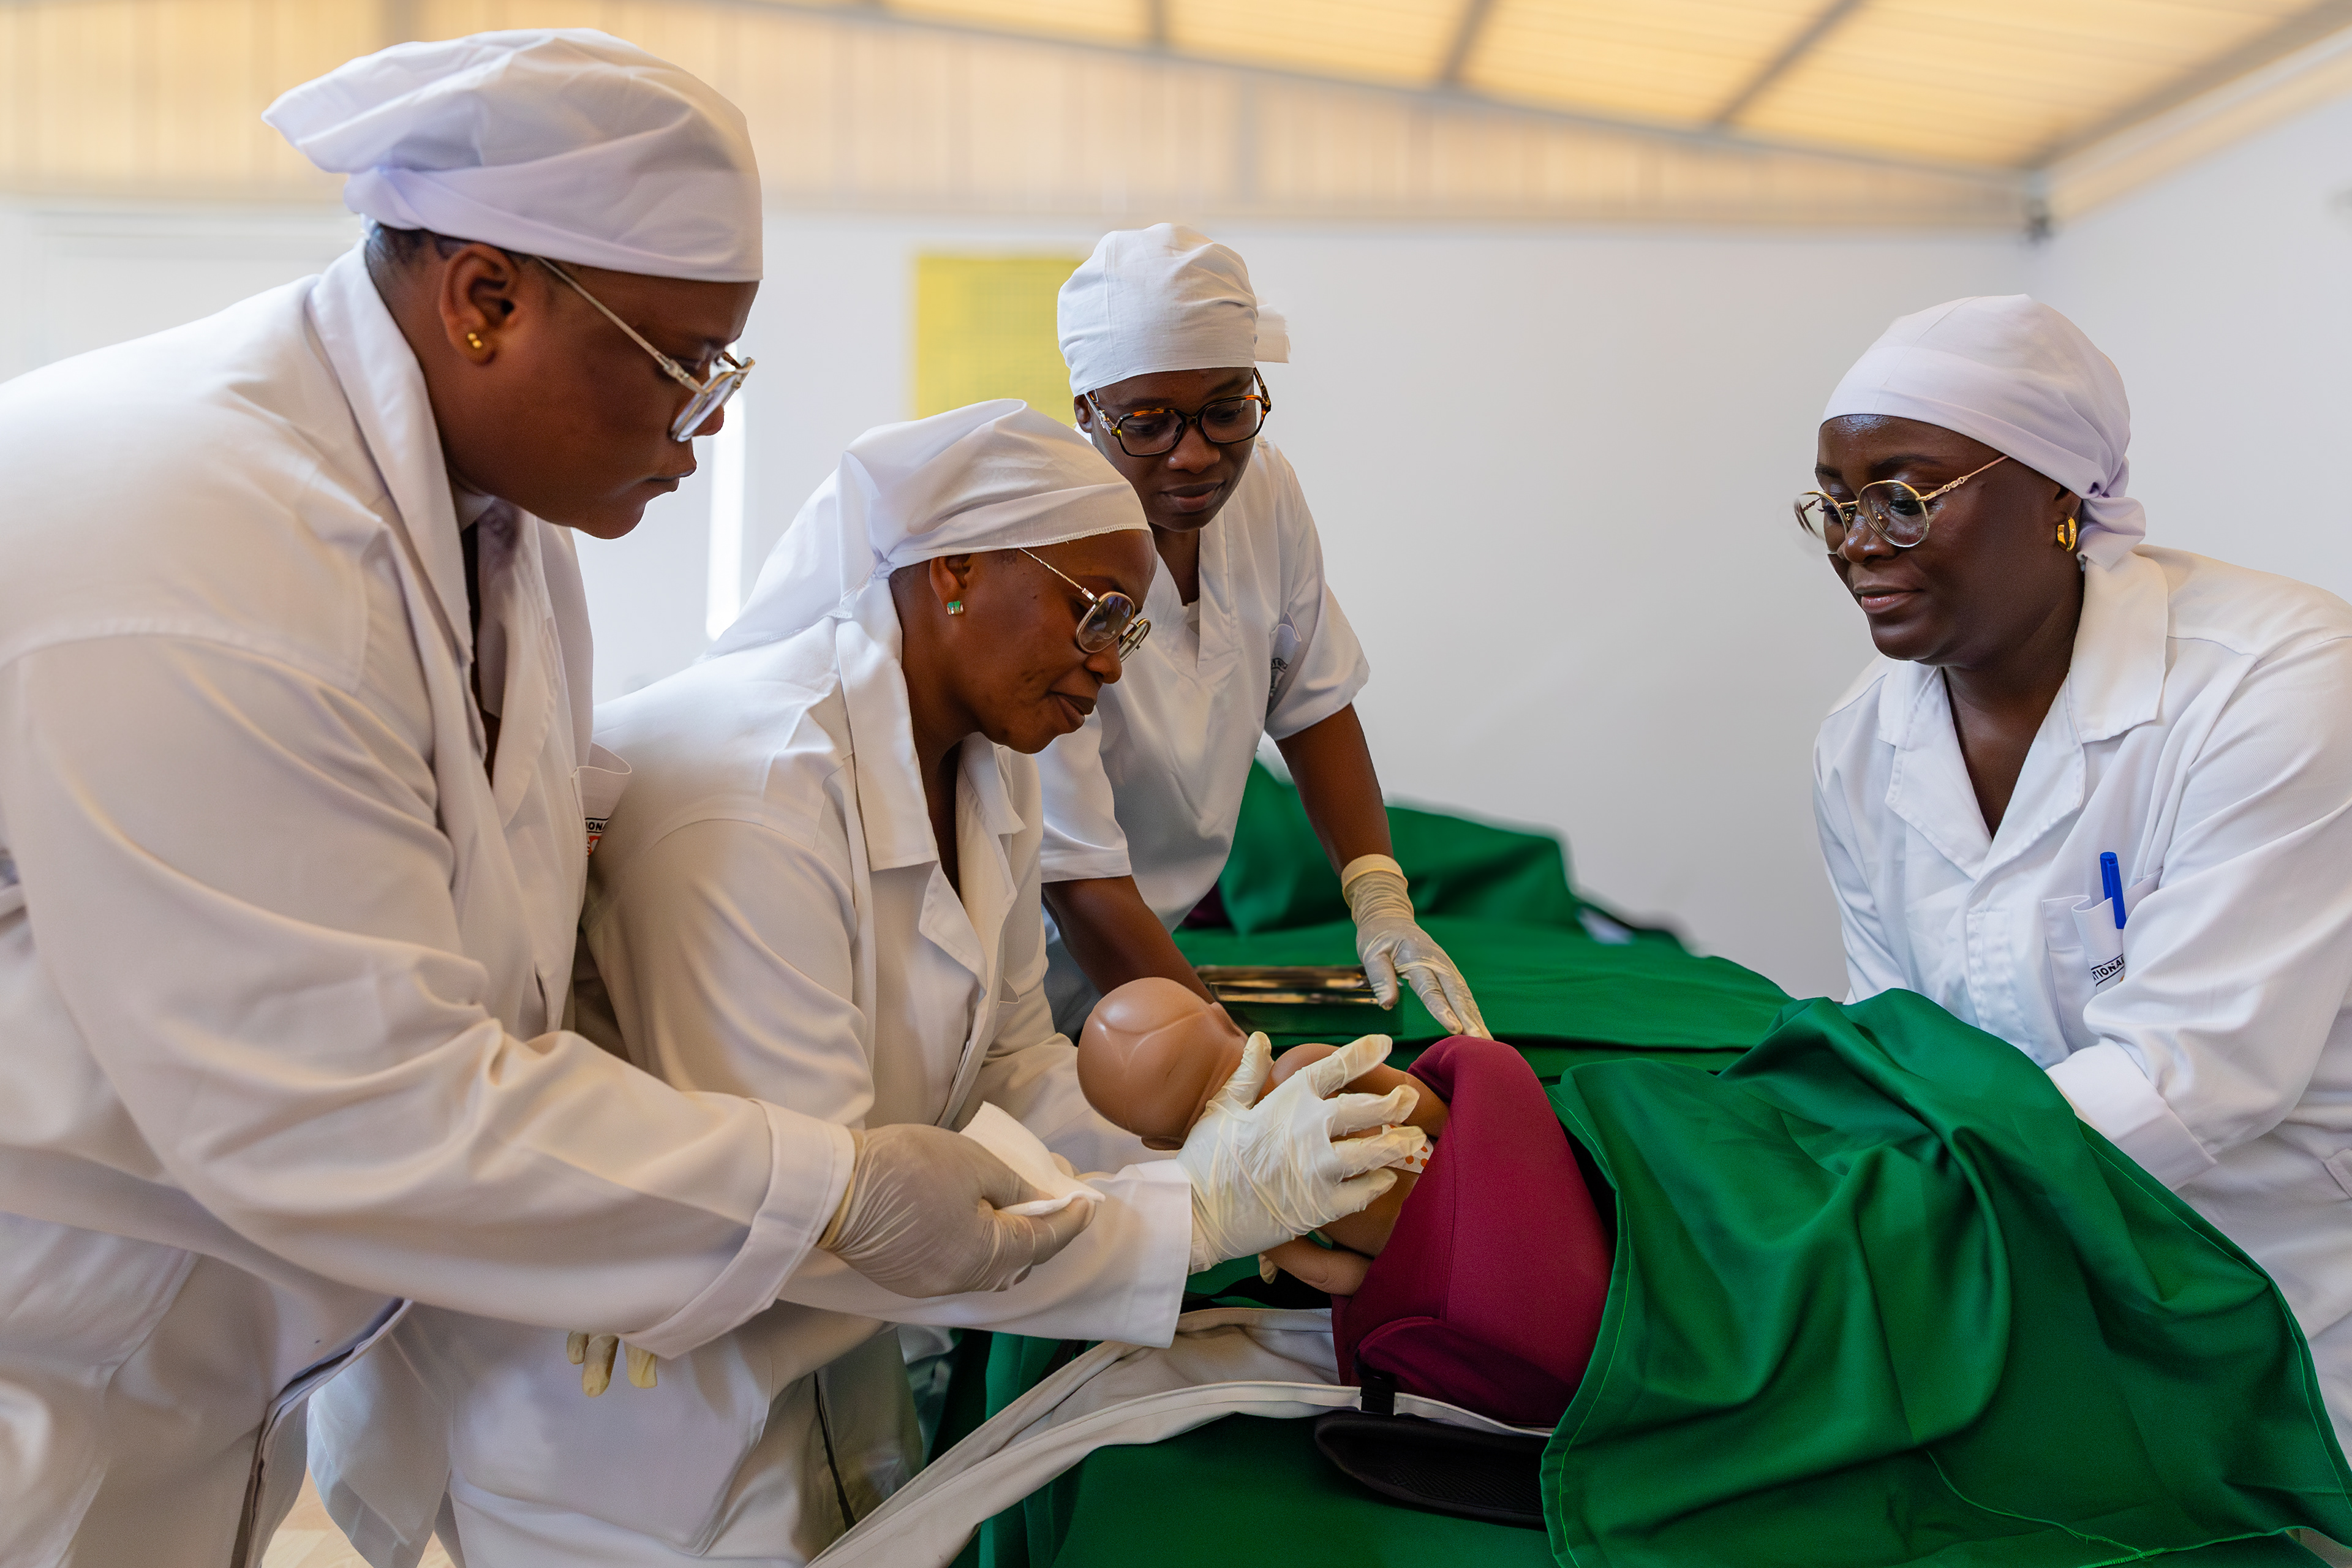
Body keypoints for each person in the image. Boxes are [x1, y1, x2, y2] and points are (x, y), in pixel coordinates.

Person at [0, 34, 1088, 1567]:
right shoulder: (207, 533)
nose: (705, 425)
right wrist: (825, 1188)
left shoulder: (504, 535)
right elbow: (352, 1099)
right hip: (49, 1359)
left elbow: (481, 946)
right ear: (487, 299)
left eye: (727, 372)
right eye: (679, 366)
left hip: (202, 1356)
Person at [312, 401, 1427, 1566]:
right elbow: (818, 1210)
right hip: (633, 1413)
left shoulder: (991, 767)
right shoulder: (754, 796)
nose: (1108, 665)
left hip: (819, 1360)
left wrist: (1209, 1138)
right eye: (1092, 612)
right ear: (952, 567)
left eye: (1129, 633)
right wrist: (1189, 1218)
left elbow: (1006, 1066)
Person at [1804, 294, 2352, 1441]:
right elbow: (1896, 1040)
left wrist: (1872, 1212)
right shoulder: (1861, 742)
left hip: (2290, 1293)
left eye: (1906, 499)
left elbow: (2191, 1074)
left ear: (2059, 491)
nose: (1860, 543)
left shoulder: (2278, 680)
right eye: (1839, 505)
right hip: (2025, 1284)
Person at [1036, 224, 1488, 1041]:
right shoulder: (1045, 549)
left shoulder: (1265, 489)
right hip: (1038, 962)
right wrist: (1223, 1055)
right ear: (1087, 415)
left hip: (1161, 950)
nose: (1195, 455)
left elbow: (1313, 699)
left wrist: (1380, 896)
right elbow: (1077, 878)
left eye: (1225, 410)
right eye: (1149, 423)